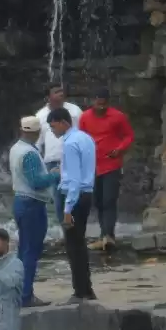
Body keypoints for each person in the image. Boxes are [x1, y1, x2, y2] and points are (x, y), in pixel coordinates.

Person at [9, 116, 61, 307]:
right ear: (37, 132)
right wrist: (54, 175)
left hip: (20, 201)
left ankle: (18, 293)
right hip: (31, 204)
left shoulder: (16, 148)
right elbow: (36, 182)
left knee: (23, 250)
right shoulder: (30, 153)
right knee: (31, 251)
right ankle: (26, 296)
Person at [47, 106, 97, 302]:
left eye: (53, 127)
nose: (52, 131)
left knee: (73, 246)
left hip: (75, 196)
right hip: (87, 193)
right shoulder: (86, 138)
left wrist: (67, 209)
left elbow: (74, 180)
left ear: (63, 122)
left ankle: (80, 291)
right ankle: (87, 289)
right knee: (80, 244)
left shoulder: (69, 143)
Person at [79, 87, 134, 252]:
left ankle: (108, 235)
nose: (101, 107)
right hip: (92, 166)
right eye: (98, 103)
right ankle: (103, 235)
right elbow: (80, 138)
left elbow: (129, 136)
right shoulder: (85, 117)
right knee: (97, 201)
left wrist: (120, 149)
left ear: (108, 102)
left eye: (104, 104)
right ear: (92, 102)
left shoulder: (118, 116)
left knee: (109, 200)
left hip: (111, 164)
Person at [35, 84, 82, 220]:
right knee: (58, 199)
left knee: (74, 196)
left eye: (61, 91)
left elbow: (83, 133)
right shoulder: (40, 116)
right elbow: (37, 143)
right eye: (56, 92)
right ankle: (65, 228)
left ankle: (76, 227)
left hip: (73, 160)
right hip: (52, 162)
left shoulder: (75, 111)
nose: (61, 94)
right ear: (48, 97)